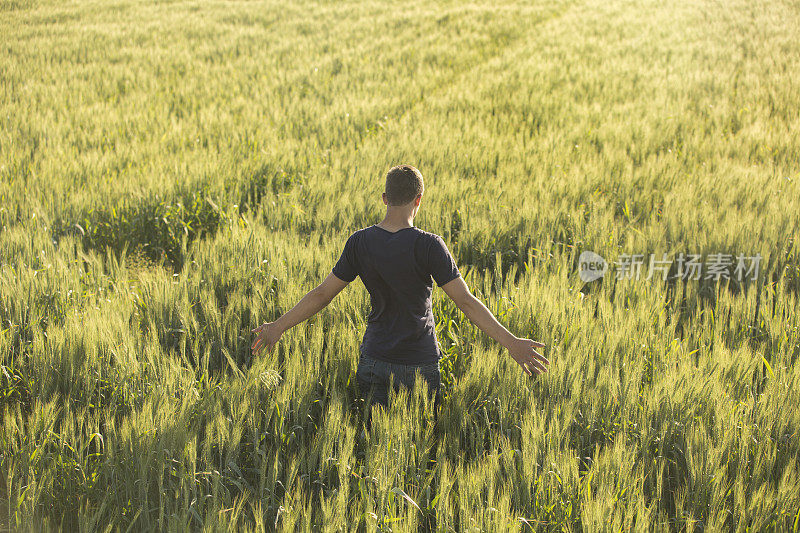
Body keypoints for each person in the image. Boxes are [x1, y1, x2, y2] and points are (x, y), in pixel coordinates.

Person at [250, 164, 549, 418]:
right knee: (417, 450)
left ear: (384, 198)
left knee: (373, 450)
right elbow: (466, 303)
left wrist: (278, 326)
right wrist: (511, 343)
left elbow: (321, 294)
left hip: (375, 359)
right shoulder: (430, 245)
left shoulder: (360, 242)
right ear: (419, 200)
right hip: (420, 362)